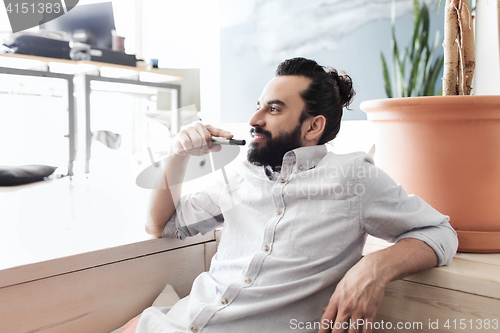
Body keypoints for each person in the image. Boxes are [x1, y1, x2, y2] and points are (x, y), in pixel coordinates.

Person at [125, 57, 458, 333]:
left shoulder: (353, 176)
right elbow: (161, 226)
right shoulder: (239, 175)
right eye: (258, 106)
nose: (254, 119)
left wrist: (374, 267)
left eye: (273, 109)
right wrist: (177, 155)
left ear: (313, 126)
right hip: (171, 324)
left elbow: (439, 231)